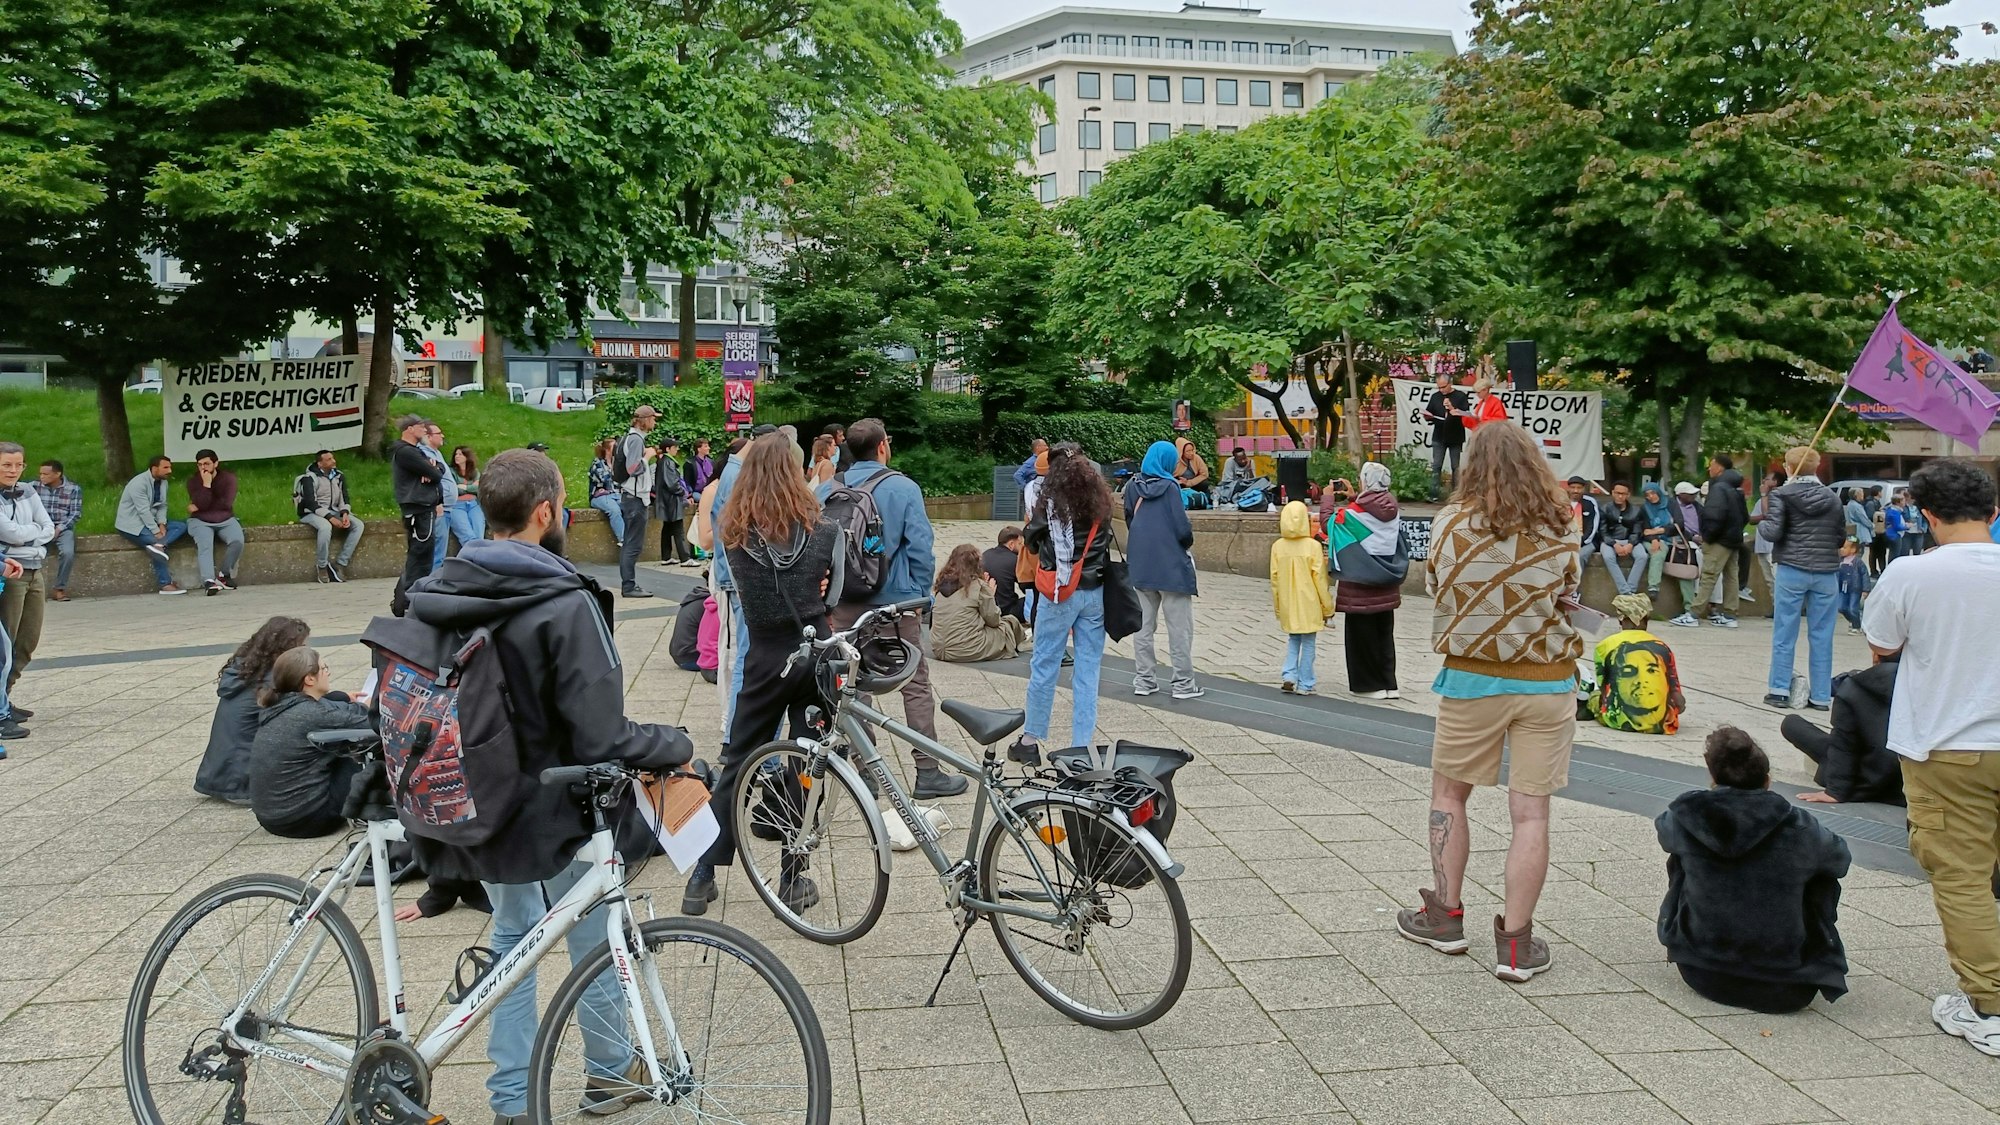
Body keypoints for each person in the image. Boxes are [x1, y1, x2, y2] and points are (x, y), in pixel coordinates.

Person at [362, 447, 693, 1121]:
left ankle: (512, 1101)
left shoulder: (442, 585)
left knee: (513, 938)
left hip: (471, 798)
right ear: (545, 513)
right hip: (553, 804)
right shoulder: (563, 600)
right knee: (590, 929)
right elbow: (602, 735)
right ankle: (607, 1073)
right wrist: (674, 743)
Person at [1395, 421, 1581, 983]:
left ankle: (1444, 917)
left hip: (1471, 679)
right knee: (1531, 812)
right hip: (1547, 682)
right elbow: (1570, 595)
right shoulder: (1562, 521)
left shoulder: (1449, 522)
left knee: (1449, 796)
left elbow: (1434, 588)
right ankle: (1517, 945)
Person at [1856, 459, 2000, 1055]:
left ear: (1926, 515)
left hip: (1948, 744)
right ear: (1993, 513)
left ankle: (1990, 1005)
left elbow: (1882, 645)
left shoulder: (1911, 573)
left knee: (1963, 876)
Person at [683, 433, 843, 916]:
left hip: (765, 655)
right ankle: (793, 876)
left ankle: (703, 875)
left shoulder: (734, 535)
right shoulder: (826, 530)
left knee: (738, 761)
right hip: (815, 652)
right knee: (806, 762)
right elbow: (831, 598)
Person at [1655, 727, 1850, 1014]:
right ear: (1768, 781)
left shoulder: (1686, 815)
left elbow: (1665, 833)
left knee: (1683, 855)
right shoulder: (1799, 825)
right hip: (1786, 988)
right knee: (1818, 869)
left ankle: (1703, 935)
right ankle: (1803, 950)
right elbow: (1840, 860)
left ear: (1713, 779)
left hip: (1703, 972)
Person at [816, 419, 962, 798]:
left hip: (844, 602)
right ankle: (927, 772)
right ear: (882, 447)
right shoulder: (903, 488)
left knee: (854, 684)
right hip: (895, 605)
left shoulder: (826, 491)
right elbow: (919, 548)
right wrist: (918, 598)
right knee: (914, 685)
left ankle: (867, 772)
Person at [1010, 443, 1112, 766]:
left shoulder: (1049, 505)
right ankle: (1082, 746)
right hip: (1094, 593)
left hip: (1059, 592)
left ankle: (1030, 740)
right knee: (1088, 669)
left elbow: (1031, 539)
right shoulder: (1101, 503)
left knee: (1045, 664)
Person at [248, 646, 373, 839]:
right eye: (324, 668)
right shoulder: (312, 714)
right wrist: (375, 706)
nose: (328, 673)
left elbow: (329, 708)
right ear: (309, 679)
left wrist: (346, 700)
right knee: (360, 748)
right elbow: (371, 723)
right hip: (307, 821)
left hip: (270, 818)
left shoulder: (279, 704)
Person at [1758, 446, 1844, 709]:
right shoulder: (1832, 497)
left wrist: (1761, 521)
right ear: (1816, 467)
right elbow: (1839, 536)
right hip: (1826, 571)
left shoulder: (1781, 495)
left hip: (1792, 567)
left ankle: (1779, 689)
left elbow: (1772, 532)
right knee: (1822, 634)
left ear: (1788, 468)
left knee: (1785, 630)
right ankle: (1819, 695)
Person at [196, 615, 311, 804]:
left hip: (219, 775)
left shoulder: (246, 671)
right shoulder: (270, 683)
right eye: (301, 648)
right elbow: (305, 714)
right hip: (243, 783)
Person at [1125, 441, 1201, 700]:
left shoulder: (1132, 486)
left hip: (1141, 565)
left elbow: (1129, 519)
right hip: (1170, 567)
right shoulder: (1171, 487)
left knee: (1143, 627)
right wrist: (1185, 544)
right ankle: (1183, 684)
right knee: (1179, 628)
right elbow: (1182, 528)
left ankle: (1144, 680)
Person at [1783, 656, 1902, 805]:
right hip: (1904, 783)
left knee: (1791, 723)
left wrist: (1835, 791)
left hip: (1858, 778)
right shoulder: (1927, 684)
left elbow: (1844, 745)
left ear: (1875, 656)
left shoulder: (1854, 688)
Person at [1336, 461, 1404, 698]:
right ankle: (1389, 684)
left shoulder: (1352, 514)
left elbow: (1331, 525)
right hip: (1386, 584)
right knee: (1384, 636)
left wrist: (1326, 500)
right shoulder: (1392, 509)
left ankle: (1368, 686)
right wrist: (1355, 496)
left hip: (1359, 586)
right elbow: (1370, 513)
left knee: (1360, 638)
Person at [0, 443, 52, 696]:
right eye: (6, 465)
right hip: (10, 572)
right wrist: (34, 534)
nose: (13, 471)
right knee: (5, 640)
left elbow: (48, 527)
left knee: (28, 639)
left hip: (35, 568)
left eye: (18, 465)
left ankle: (5, 696)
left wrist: (27, 537)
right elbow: (10, 533)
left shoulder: (28, 490)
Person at [1593, 594, 1685, 734]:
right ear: (1647, 620)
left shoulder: (1605, 645)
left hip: (1618, 722)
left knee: (1592, 697)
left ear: (1621, 620)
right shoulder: (1663, 647)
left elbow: (1604, 688)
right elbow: (1678, 697)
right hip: (1665, 726)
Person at [1270, 500, 1333, 695]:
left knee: (1293, 639)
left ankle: (1289, 674)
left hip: (1288, 601)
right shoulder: (1313, 546)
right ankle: (1305, 683)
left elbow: (1275, 580)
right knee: (1309, 642)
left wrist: (1278, 606)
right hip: (1310, 602)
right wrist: (1328, 607)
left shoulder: (1278, 546)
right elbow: (1320, 580)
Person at [932, 544, 1031, 662]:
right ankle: (1023, 640)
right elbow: (994, 620)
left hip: (939, 649)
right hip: (967, 649)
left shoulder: (941, 584)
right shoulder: (977, 586)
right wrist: (990, 594)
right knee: (1010, 622)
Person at [389, 416, 442, 616]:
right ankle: (409, 600)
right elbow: (436, 474)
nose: (424, 430)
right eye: (421, 427)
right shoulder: (406, 452)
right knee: (420, 556)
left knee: (421, 554)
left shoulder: (415, 451)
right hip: (419, 509)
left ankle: (407, 598)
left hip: (423, 508)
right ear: (410, 429)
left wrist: (433, 467)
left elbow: (439, 469)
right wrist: (432, 469)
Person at [116, 455, 189, 595]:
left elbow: (162, 505)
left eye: (170, 467)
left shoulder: (163, 482)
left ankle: (160, 545)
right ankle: (165, 585)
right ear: (154, 468)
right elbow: (142, 510)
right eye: (166, 467)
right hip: (132, 524)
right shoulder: (139, 483)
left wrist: (162, 525)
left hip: (152, 522)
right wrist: (156, 531)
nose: (170, 471)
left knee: (180, 526)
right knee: (156, 544)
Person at [294, 450, 365, 583]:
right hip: (311, 513)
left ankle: (341, 564)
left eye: (333, 458)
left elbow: (344, 498)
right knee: (325, 527)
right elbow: (311, 503)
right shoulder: (309, 478)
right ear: (320, 463)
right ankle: (322, 566)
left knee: (358, 525)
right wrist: (330, 518)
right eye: (329, 459)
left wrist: (344, 514)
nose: (333, 461)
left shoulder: (338, 476)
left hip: (334, 511)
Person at [184, 449, 246, 595]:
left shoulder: (228, 479)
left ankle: (224, 575)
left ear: (216, 463)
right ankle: (209, 582)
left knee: (237, 540)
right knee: (205, 544)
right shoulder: (193, 481)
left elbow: (226, 503)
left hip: (225, 517)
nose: (203, 468)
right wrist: (206, 485)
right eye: (200, 465)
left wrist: (199, 505)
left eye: (207, 463)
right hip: (200, 520)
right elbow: (202, 504)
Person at [1697, 455, 1748, 627]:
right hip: (1734, 539)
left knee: (1709, 575)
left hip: (1718, 540)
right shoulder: (1736, 488)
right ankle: (1730, 614)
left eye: (1711, 465)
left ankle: (1693, 613)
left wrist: (1708, 536)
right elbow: (1745, 516)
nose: (1709, 469)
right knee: (1731, 577)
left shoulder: (1717, 488)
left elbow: (1714, 515)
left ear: (1719, 468)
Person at [614, 405, 658, 598]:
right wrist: (647, 457)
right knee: (633, 544)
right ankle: (629, 586)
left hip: (630, 497)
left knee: (630, 543)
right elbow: (633, 468)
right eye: (653, 419)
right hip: (635, 499)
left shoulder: (630, 438)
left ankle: (628, 584)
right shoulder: (636, 440)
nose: (655, 422)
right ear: (645, 420)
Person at [1657, 482, 1704, 627]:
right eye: (1690, 494)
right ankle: (1690, 608)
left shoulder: (1697, 507)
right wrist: (1691, 537)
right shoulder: (1670, 506)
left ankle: (1710, 606)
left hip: (1699, 541)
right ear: (1680, 495)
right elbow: (1671, 527)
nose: (1693, 496)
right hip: (1679, 542)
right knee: (1687, 570)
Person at [31, 460, 79, 602]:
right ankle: (33, 589)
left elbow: (75, 514)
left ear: (58, 474)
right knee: (32, 553)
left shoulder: (73, 489)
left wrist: (59, 528)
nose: (42, 477)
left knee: (68, 553)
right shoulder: (32, 487)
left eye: (46, 474)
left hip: (62, 527)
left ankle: (59, 588)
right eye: (40, 474)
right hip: (39, 527)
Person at [1596, 481, 1649, 596]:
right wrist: (1614, 544)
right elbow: (1603, 531)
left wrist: (1630, 544)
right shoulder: (1605, 508)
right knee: (1608, 557)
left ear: (1628, 495)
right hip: (1610, 540)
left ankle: (1631, 589)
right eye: (1617, 493)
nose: (1620, 496)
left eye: (1623, 494)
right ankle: (1625, 592)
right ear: (1612, 493)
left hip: (1630, 540)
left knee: (1642, 556)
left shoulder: (1636, 510)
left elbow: (1637, 530)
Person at [1423, 373, 1470, 498]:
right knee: (1436, 465)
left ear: (1450, 383)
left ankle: (1456, 494)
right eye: (1439, 387)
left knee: (1456, 467)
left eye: (1444, 387)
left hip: (1455, 435)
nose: (1441, 390)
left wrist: (1451, 407)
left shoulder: (1460, 396)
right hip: (1439, 435)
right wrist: (1428, 416)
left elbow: (1465, 414)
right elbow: (1429, 411)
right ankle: (1433, 494)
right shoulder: (1435, 397)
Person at [652, 436, 695, 566]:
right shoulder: (668, 462)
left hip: (665, 501)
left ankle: (666, 557)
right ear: (668, 449)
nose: (677, 449)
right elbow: (672, 484)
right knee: (678, 529)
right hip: (671, 501)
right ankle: (685, 558)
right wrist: (682, 493)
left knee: (668, 528)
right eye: (675, 447)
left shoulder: (663, 461)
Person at [423, 422, 457, 570]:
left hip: (447, 507)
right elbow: (429, 481)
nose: (442, 435)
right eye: (438, 433)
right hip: (439, 508)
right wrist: (437, 502)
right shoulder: (426, 454)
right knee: (436, 551)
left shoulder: (436, 452)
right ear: (429, 437)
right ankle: (431, 584)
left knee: (439, 551)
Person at [1749, 468, 1785, 603]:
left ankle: (1782, 606)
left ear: (1775, 482)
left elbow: (1769, 515)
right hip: (1762, 545)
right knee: (1769, 579)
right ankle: (1775, 605)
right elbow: (1752, 519)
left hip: (1773, 546)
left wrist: (1764, 495)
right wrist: (1762, 517)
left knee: (1777, 577)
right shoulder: (1761, 500)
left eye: (1768, 479)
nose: (1764, 481)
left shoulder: (1778, 498)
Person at [981, 526, 1026, 623]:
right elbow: (1026, 587)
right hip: (1007, 610)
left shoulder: (985, 555)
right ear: (1011, 544)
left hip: (985, 607)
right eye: (1020, 544)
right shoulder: (1015, 560)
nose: (1023, 548)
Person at [587, 437, 625, 547]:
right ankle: (623, 539)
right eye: (615, 447)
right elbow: (606, 479)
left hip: (617, 494)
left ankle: (632, 539)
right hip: (599, 496)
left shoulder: (617, 463)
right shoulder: (597, 463)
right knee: (614, 510)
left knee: (630, 509)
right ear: (608, 450)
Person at [446, 445, 486, 547]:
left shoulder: (474, 472)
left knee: (479, 535)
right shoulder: (450, 472)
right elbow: (453, 489)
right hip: (457, 505)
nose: (457, 456)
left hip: (474, 505)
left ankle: (476, 560)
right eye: (456, 454)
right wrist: (470, 487)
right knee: (468, 536)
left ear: (467, 457)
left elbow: (480, 488)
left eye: (460, 454)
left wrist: (464, 487)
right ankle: (474, 559)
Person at [1566, 476, 1604, 578]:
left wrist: (1580, 542)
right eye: (1573, 487)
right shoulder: (1561, 501)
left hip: (1586, 541)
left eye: (1579, 488)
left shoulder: (1590, 502)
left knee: (1579, 556)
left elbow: (1594, 525)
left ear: (1583, 489)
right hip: (1565, 540)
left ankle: (1574, 590)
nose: (1575, 491)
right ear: (1568, 488)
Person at [1836, 538, 1869, 635]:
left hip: (1855, 589)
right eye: (1841, 547)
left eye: (1844, 547)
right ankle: (1854, 620)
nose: (1841, 549)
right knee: (1841, 607)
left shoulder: (1858, 562)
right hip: (1842, 588)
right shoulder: (1840, 561)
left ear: (1853, 550)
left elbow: (1864, 575)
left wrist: (1865, 589)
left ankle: (1856, 626)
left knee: (1853, 608)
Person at [1843, 487, 1874, 559]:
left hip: (1852, 531)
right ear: (1856, 495)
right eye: (1861, 493)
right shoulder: (1857, 506)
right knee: (1859, 551)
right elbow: (1864, 519)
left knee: (1854, 550)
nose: (1863, 495)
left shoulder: (1850, 504)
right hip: (1859, 533)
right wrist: (1872, 525)